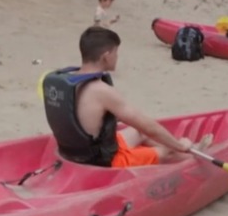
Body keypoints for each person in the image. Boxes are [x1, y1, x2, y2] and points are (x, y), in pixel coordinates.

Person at [40, 27, 209, 168]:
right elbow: (148, 126)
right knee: (169, 149)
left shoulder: (67, 81)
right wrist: (179, 145)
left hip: (75, 153)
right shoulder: (101, 91)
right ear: (106, 55)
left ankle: (186, 152)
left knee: (138, 133)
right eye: (116, 52)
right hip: (103, 162)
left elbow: (143, 130)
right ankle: (190, 157)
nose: (117, 57)